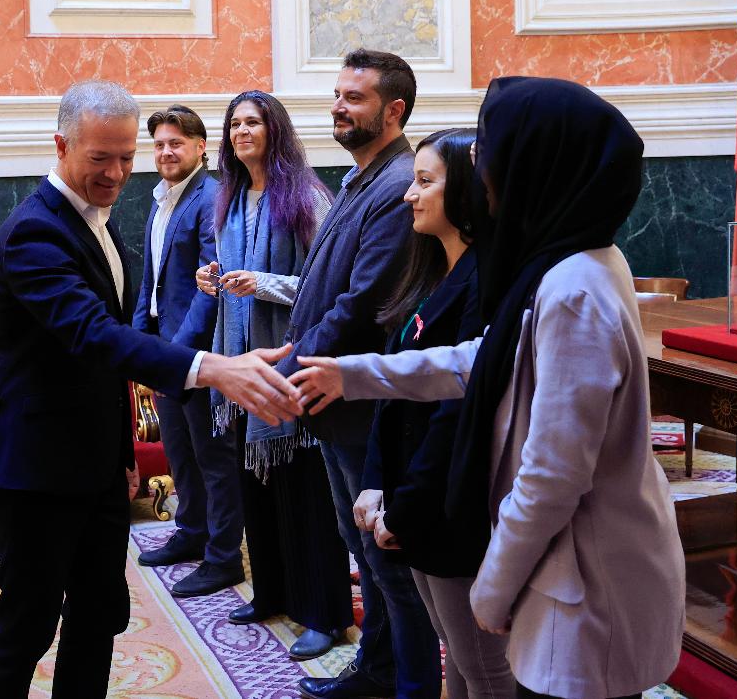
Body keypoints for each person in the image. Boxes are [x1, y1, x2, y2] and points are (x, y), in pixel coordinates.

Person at [292, 77, 687, 699]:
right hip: (568, 567)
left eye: (490, 150)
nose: (480, 166)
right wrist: (355, 374)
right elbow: (487, 359)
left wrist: (492, 585)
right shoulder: (563, 262)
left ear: (536, 164)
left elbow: (554, 473)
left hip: (586, 576)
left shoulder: (576, 287)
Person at [0, 80, 302, 699]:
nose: (118, 172)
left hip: (94, 464)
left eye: (128, 156)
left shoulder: (98, 220)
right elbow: (96, 336)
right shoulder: (32, 234)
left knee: (100, 615)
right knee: (28, 624)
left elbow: (104, 362)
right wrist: (213, 368)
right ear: (61, 145)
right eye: (101, 158)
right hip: (37, 470)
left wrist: (122, 458)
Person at [279, 49, 441, 699]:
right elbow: (323, 291)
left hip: (362, 405)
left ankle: (409, 685)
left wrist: (285, 370)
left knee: (388, 562)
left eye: (355, 98)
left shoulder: (399, 181)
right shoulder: (357, 179)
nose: (339, 107)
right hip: (331, 401)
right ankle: (377, 673)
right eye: (338, 94)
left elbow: (361, 305)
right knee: (365, 555)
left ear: (394, 110)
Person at [354, 128, 514, 699]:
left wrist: (405, 504)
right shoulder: (432, 272)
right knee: (456, 656)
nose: (408, 195)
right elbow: (395, 387)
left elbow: (457, 412)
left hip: (448, 502)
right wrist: (375, 483)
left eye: (425, 182)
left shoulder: (487, 284)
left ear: (466, 191)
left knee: (483, 668)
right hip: (411, 496)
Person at [193, 90, 352, 660]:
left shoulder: (305, 196)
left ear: (274, 130)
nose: (241, 132)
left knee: (307, 500)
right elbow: (237, 273)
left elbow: (325, 284)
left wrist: (258, 283)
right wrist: (216, 277)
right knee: (257, 492)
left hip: (291, 365)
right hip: (243, 366)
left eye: (253, 122)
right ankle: (273, 593)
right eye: (234, 123)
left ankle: (323, 613)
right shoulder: (230, 199)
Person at [131, 104, 244, 599]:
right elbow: (150, 280)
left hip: (196, 351)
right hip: (162, 345)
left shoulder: (211, 197)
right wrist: (140, 345)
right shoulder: (161, 199)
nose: (165, 151)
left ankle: (223, 557)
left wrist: (178, 355)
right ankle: (191, 532)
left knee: (212, 456)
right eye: (158, 144)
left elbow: (210, 285)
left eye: (176, 142)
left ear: (201, 147)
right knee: (179, 451)